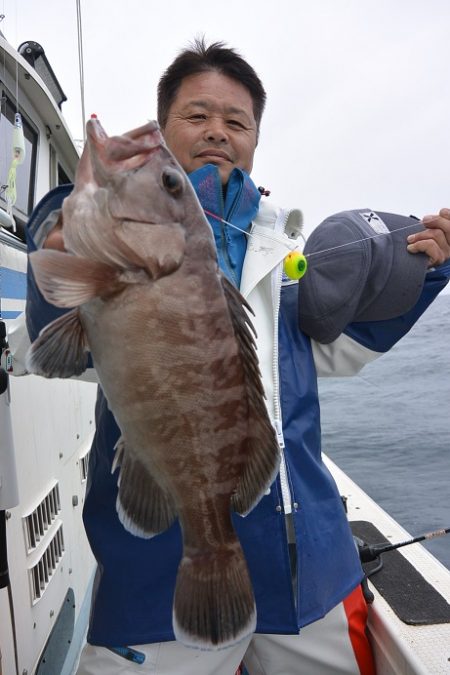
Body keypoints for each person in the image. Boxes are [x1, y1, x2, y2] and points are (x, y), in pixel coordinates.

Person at [22, 39, 450, 675]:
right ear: (164, 128)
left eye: (236, 121)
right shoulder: (106, 244)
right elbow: (57, 333)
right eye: (196, 116)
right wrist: (58, 225)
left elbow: (346, 350)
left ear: (254, 138)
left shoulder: (285, 250)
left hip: (310, 576)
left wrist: (428, 270)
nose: (217, 131)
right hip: (156, 588)